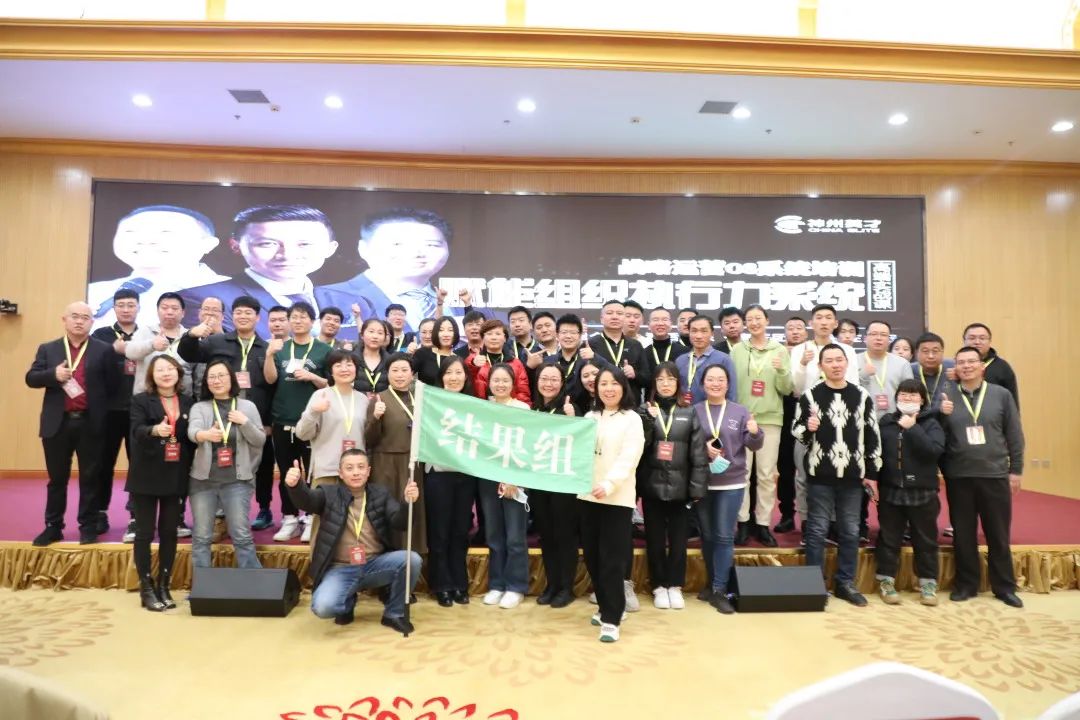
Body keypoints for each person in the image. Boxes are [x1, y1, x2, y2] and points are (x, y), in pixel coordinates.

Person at [285, 449, 420, 632]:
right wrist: (296, 486)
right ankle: (347, 602)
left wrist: (407, 502)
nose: (356, 472)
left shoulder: (380, 493)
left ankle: (394, 614)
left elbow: (400, 523)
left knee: (412, 560)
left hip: (374, 564)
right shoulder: (328, 493)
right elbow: (307, 501)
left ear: (368, 471)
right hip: (340, 568)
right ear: (340, 473)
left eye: (361, 467)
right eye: (349, 468)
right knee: (323, 608)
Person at [792, 344, 882, 607]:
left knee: (850, 531)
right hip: (820, 474)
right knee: (817, 530)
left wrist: (872, 472)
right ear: (820, 366)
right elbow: (796, 431)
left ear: (847, 363)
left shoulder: (862, 396)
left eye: (839, 360)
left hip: (853, 476)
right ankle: (814, 585)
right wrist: (808, 428)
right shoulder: (810, 396)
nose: (835, 364)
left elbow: (872, 434)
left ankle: (845, 583)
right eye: (829, 360)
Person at [177, 295, 276, 532]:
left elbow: (273, 387)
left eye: (248, 312)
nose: (243, 316)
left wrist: (269, 421)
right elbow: (189, 354)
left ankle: (264, 508)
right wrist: (191, 335)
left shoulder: (266, 348)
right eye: (238, 312)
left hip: (254, 414)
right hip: (219, 415)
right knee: (220, 462)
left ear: (257, 317)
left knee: (262, 463)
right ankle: (220, 514)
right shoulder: (217, 341)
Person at [26, 302, 117, 545]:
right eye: (74, 316)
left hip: (91, 423)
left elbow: (113, 385)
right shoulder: (49, 349)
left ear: (92, 322)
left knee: (91, 477)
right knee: (57, 479)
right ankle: (53, 526)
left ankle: (88, 526)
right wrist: (52, 375)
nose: (79, 321)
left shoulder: (103, 350)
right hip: (57, 424)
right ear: (64, 319)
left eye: (85, 317)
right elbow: (31, 378)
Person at [940, 346, 1025, 608]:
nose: (966, 366)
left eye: (971, 362)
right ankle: (966, 585)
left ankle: (1004, 587)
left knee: (998, 534)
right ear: (956, 368)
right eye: (961, 362)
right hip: (959, 475)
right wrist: (941, 414)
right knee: (963, 533)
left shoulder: (1001, 395)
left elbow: (1014, 434)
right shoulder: (946, 395)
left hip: (994, 474)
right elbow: (937, 435)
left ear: (981, 366)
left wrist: (1016, 470)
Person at [182, 204, 338, 339]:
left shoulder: (345, 299)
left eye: (304, 244)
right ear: (236, 246)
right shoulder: (203, 300)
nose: (287, 255)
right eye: (267, 244)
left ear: (330, 249)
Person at [318, 208, 462, 333]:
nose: (417, 253)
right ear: (364, 248)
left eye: (431, 245)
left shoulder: (460, 302)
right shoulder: (325, 297)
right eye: (398, 244)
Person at [580, 366, 645, 642]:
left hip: (616, 498)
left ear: (623, 387)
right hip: (587, 496)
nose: (608, 388)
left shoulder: (632, 419)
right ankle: (604, 605)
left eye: (614, 383)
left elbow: (629, 458)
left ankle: (612, 617)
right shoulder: (589, 417)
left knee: (612, 559)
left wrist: (608, 484)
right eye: (603, 384)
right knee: (592, 557)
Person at [88, 205, 227, 331]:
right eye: (130, 232)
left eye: (166, 232)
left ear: (208, 244)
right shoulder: (93, 290)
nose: (146, 241)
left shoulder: (230, 290)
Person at [694, 364, 764, 613]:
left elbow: (754, 444)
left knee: (724, 535)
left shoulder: (740, 411)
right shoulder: (694, 411)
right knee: (707, 535)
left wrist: (755, 433)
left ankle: (720, 590)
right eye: (710, 379)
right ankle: (711, 584)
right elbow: (687, 444)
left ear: (728, 384)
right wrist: (703, 449)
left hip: (731, 482)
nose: (715, 383)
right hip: (703, 482)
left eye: (720, 379)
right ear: (703, 384)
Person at [127, 354, 194, 610]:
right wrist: (154, 430)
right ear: (152, 376)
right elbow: (136, 430)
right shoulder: (140, 400)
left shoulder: (188, 401)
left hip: (175, 474)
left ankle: (164, 585)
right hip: (146, 474)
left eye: (170, 369)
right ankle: (146, 587)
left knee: (169, 532)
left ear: (178, 373)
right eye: (160, 370)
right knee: (144, 533)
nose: (166, 374)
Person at [187, 360, 265, 569]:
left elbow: (259, 440)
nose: (216, 380)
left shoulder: (247, 407)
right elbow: (192, 431)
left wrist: (244, 422)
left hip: (237, 481)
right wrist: (205, 435)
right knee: (201, 537)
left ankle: (255, 583)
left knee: (241, 535)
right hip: (203, 482)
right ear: (206, 382)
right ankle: (202, 584)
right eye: (211, 377)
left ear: (231, 378)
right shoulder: (199, 407)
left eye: (221, 375)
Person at [264, 301, 331, 542]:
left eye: (303, 316)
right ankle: (289, 518)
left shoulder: (323, 350)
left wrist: (312, 376)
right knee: (286, 472)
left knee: (313, 472)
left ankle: (312, 517)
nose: (298, 321)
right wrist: (269, 355)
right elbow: (270, 379)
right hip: (283, 418)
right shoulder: (281, 348)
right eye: (294, 317)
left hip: (313, 422)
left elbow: (330, 384)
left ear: (312, 322)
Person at [640, 362, 706, 609]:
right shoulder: (645, 410)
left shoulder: (689, 411)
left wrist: (696, 488)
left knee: (679, 541)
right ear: (654, 384)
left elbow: (698, 454)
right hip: (652, 486)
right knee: (655, 540)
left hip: (681, 488)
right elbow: (639, 447)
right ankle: (659, 585)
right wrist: (648, 420)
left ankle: (675, 585)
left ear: (678, 383)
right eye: (660, 380)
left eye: (670, 379)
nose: (665, 384)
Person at [788, 304, 859, 531]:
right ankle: (806, 522)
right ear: (811, 323)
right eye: (819, 317)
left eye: (829, 318)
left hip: (839, 418)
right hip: (807, 418)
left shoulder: (846, 351)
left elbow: (853, 386)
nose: (824, 322)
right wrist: (802, 364)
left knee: (837, 472)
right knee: (803, 474)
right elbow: (795, 389)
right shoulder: (800, 350)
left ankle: (834, 523)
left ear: (835, 323)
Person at [875, 379, 945, 607]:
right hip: (891, 491)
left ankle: (928, 584)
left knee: (925, 540)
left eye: (913, 395)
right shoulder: (886, 422)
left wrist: (912, 428)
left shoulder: (931, 424)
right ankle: (886, 581)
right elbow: (876, 454)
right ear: (896, 397)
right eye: (904, 394)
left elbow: (934, 451)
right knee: (889, 539)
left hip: (923, 492)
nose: (908, 399)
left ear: (922, 400)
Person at [730, 304, 793, 548]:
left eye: (759, 318)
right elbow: (731, 385)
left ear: (767, 321)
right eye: (750, 319)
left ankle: (763, 523)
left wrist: (782, 370)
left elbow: (786, 389)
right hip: (742, 419)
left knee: (766, 475)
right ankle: (743, 522)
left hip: (770, 419)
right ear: (745, 323)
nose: (754, 323)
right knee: (742, 473)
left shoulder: (779, 350)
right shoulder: (737, 350)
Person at [295, 350, 370, 542]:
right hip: (328, 470)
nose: (344, 369)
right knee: (323, 528)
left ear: (356, 369)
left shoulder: (363, 399)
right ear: (330, 370)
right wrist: (313, 411)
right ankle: (319, 562)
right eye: (338, 365)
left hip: (355, 473)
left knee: (355, 526)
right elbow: (302, 433)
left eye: (349, 364)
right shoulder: (320, 396)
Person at [475, 363, 532, 609]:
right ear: (488, 383)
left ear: (513, 383)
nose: (500, 384)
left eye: (505, 380)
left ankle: (516, 586)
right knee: (494, 535)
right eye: (496, 380)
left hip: (515, 479)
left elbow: (525, 446)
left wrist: (513, 479)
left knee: (515, 536)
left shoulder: (522, 408)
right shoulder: (483, 408)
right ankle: (497, 584)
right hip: (488, 478)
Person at [424, 357, 478, 606]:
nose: (454, 377)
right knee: (440, 532)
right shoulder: (430, 401)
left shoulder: (474, 404)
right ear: (441, 377)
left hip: (465, 474)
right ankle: (442, 585)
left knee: (460, 531)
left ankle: (459, 583)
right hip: (438, 474)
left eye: (459, 372)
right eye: (449, 373)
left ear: (466, 377)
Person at [89, 288, 140, 539]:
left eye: (131, 305)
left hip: (139, 411)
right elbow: (92, 365)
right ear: (114, 307)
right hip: (108, 411)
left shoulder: (146, 334)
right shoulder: (101, 335)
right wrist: (114, 349)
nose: (126, 309)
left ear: (138, 307)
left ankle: (136, 515)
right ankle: (99, 512)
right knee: (103, 464)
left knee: (138, 465)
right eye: (121, 305)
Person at [857, 320, 914, 541]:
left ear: (889, 339)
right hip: (862, 427)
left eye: (883, 334)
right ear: (865, 338)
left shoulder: (901, 364)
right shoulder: (854, 360)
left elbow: (911, 394)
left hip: (892, 427)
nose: (879, 338)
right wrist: (863, 375)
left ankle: (892, 526)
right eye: (874, 334)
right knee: (861, 476)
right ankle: (859, 524)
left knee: (891, 477)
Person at [365, 354, 426, 554]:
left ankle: (413, 560)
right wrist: (375, 417)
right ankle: (387, 559)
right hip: (386, 465)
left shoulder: (420, 398)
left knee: (413, 510)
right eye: (395, 370)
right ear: (387, 373)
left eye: (404, 370)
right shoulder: (379, 398)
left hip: (414, 464)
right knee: (390, 511)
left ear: (412, 374)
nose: (400, 375)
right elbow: (369, 439)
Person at [531, 364, 580, 609]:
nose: (548, 384)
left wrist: (573, 420)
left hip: (563, 483)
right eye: (544, 378)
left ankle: (566, 587)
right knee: (547, 535)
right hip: (539, 482)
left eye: (554, 379)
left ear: (562, 383)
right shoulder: (533, 410)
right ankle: (551, 584)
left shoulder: (570, 409)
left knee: (564, 535)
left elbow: (580, 444)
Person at [775, 316, 808, 533]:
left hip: (809, 413)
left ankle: (811, 517)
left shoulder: (813, 352)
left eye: (799, 328)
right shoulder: (778, 353)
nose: (795, 331)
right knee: (785, 469)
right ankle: (787, 514)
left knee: (810, 467)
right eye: (790, 328)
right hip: (785, 413)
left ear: (806, 331)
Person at [126, 292, 194, 399]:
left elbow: (198, 372)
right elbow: (129, 352)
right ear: (157, 311)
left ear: (183, 313)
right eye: (164, 308)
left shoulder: (190, 336)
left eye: (174, 308)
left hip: (182, 399)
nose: (169, 312)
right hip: (147, 398)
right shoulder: (145, 331)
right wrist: (151, 345)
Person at [588, 300, 649, 401]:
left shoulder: (635, 345)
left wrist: (635, 374)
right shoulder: (590, 344)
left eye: (619, 313)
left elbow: (647, 379)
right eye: (609, 313)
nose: (615, 317)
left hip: (630, 404)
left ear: (624, 318)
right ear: (601, 319)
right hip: (600, 403)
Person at [674, 315, 737, 405]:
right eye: (694, 331)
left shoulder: (724, 360)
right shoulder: (680, 361)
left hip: (714, 411)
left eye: (704, 331)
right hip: (686, 411)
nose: (698, 336)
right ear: (689, 333)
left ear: (712, 333)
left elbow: (732, 393)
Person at [961, 323, 1019, 409]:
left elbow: (1012, 403)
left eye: (982, 338)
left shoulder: (1003, 367)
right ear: (964, 340)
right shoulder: (956, 366)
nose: (977, 342)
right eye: (972, 338)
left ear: (990, 341)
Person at [543, 313, 595, 406]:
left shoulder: (588, 360)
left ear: (580, 335)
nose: (568, 336)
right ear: (557, 335)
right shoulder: (547, 361)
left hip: (583, 411)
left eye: (573, 332)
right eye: (564, 332)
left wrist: (595, 357)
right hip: (552, 411)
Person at [912, 332, 955, 413]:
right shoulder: (909, 370)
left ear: (942, 352)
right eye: (925, 351)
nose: (930, 356)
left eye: (935, 351)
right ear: (917, 353)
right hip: (918, 418)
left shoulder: (953, 367)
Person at [412, 316, 460, 386]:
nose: (446, 334)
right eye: (441, 330)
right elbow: (405, 373)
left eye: (450, 330)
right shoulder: (423, 353)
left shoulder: (459, 360)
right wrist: (408, 354)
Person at [643, 307, 689, 377]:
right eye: (655, 320)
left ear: (671, 324)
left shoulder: (685, 352)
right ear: (648, 325)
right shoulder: (643, 354)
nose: (660, 323)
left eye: (665, 319)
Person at [352, 319, 390, 395]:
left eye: (380, 333)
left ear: (385, 337)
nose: (375, 336)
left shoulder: (391, 361)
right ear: (362, 335)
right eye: (371, 331)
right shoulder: (351, 359)